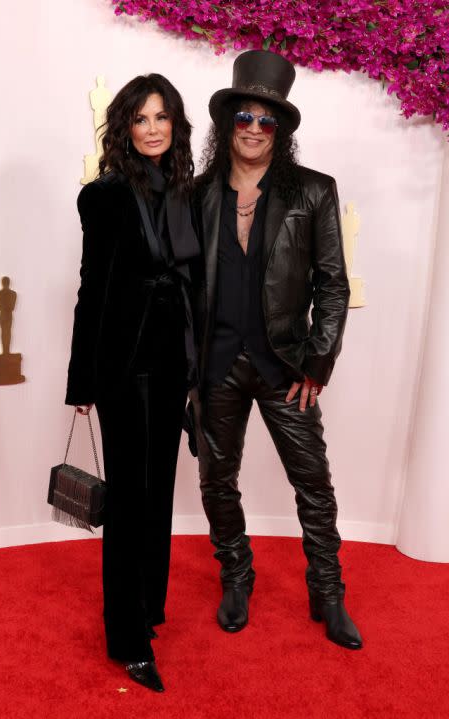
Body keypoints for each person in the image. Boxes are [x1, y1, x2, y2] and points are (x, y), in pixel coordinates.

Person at [191, 50, 362, 649]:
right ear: (228, 122)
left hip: (286, 365)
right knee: (217, 479)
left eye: (268, 121)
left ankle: (328, 592)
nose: (256, 130)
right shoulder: (198, 195)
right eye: (245, 117)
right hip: (214, 368)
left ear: (282, 130)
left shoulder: (313, 193)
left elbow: (332, 283)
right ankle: (236, 576)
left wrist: (319, 361)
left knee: (312, 481)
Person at [65, 73, 199, 692]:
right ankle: (127, 638)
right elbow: (92, 289)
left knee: (160, 491)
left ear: (176, 125)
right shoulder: (105, 196)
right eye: (141, 119)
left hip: (173, 365)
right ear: (125, 127)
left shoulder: (184, 193)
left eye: (161, 117)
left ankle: (148, 604)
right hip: (122, 367)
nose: (152, 129)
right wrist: (82, 380)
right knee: (128, 500)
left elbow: (194, 283)